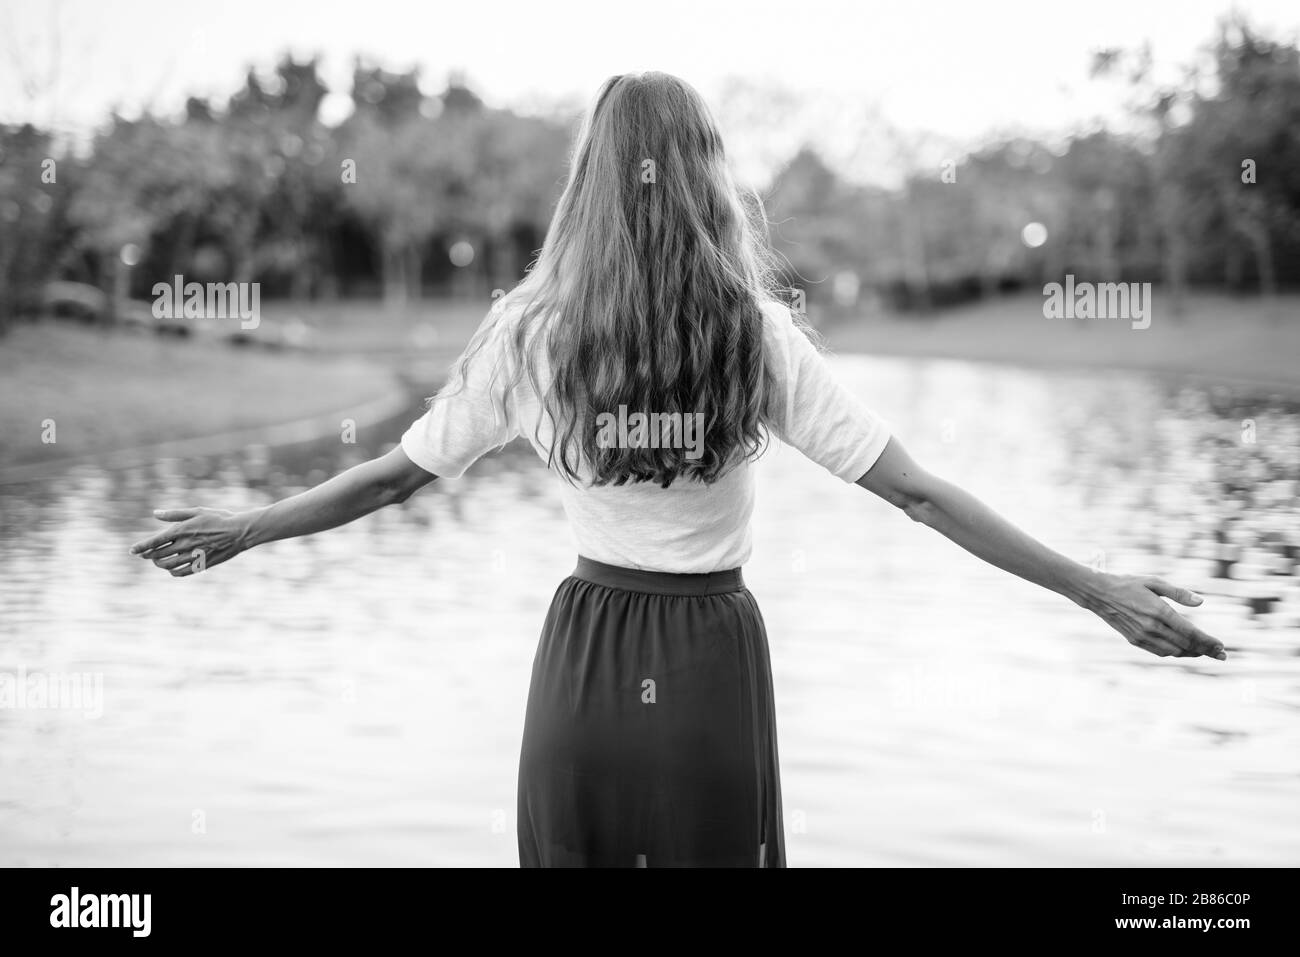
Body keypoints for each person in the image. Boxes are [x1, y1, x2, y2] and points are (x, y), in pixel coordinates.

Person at [130, 72, 1227, 868]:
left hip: (584, 666)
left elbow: (389, 478)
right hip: (709, 664)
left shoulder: (531, 332)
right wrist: (1097, 590)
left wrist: (247, 528)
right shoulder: (753, 334)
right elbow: (921, 494)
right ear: (706, 177)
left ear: (588, 184)